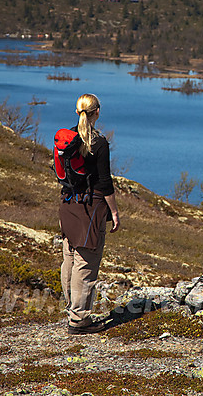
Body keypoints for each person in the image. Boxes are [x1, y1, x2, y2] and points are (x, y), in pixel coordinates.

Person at [59, 93, 120, 334]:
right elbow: (104, 183)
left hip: (67, 205)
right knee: (86, 262)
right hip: (90, 209)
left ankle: (71, 310)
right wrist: (114, 212)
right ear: (97, 112)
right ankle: (79, 319)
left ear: (77, 112)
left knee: (70, 258)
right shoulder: (99, 143)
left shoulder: (67, 139)